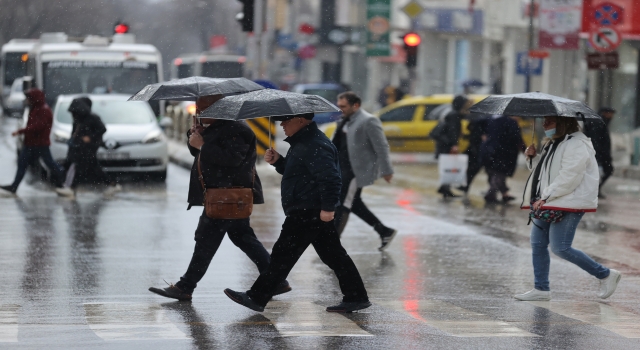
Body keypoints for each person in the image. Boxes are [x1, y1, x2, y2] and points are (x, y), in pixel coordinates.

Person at [224, 113, 371, 313]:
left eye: (286, 120)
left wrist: (328, 208)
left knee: (282, 256)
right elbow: (300, 172)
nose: (282, 124)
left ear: (301, 121)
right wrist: (279, 162)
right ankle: (356, 296)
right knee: (334, 256)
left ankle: (256, 297)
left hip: (308, 210)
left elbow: (331, 179)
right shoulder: (304, 142)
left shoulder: (314, 144)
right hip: (308, 208)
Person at [149, 113, 291, 301]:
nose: (200, 114)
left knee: (206, 241)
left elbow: (232, 160)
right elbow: (200, 154)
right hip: (222, 196)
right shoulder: (218, 128)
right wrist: (196, 137)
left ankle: (185, 286)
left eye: (205, 110)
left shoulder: (238, 129)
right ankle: (276, 280)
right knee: (242, 237)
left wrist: (203, 145)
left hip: (228, 196)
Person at [515, 116, 621, 301]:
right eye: (544, 121)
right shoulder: (552, 143)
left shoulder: (577, 144)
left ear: (563, 123)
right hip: (550, 200)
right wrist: (532, 159)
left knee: (561, 247)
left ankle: (605, 274)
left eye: (549, 121)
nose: (544, 125)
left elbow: (570, 176)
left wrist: (547, 196)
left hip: (569, 201)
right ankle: (541, 288)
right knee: (537, 244)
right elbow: (544, 173)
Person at [333, 92, 397, 250]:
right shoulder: (343, 120)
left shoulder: (369, 120)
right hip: (341, 169)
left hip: (355, 171)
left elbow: (381, 146)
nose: (340, 109)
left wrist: (387, 170)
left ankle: (331, 242)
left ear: (356, 105)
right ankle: (384, 231)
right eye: (339, 106)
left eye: (343, 106)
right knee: (354, 203)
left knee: (343, 203)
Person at [0, 89, 65, 195]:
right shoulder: (36, 108)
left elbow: (37, 126)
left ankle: (62, 179)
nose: (26, 100)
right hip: (31, 143)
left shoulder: (43, 110)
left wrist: (21, 131)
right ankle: (14, 186)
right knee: (23, 163)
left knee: (49, 163)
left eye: (28, 98)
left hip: (39, 143)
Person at [55, 97, 121, 198]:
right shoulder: (78, 119)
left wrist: (90, 137)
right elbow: (74, 133)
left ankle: (71, 188)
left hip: (89, 148)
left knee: (78, 166)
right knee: (92, 168)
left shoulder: (92, 118)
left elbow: (102, 129)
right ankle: (112, 184)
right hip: (79, 147)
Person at [431, 95, 472, 198]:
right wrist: (454, 144)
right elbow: (452, 131)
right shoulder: (454, 115)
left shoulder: (452, 113)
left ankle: (445, 188)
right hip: (447, 145)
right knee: (449, 166)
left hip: (444, 144)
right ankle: (445, 189)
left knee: (448, 166)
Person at [480, 115, 525, 203]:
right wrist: (525, 149)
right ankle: (491, 194)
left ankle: (505, 194)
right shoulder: (511, 123)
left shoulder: (492, 119)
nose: (519, 117)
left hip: (488, 150)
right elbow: (517, 138)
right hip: (503, 153)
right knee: (499, 174)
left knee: (493, 173)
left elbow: (479, 126)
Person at [583, 107, 615, 198]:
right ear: (606, 113)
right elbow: (596, 141)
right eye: (611, 113)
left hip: (599, 154)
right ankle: (593, 191)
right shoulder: (598, 122)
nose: (612, 116)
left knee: (604, 171)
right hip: (598, 155)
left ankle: (594, 190)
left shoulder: (599, 121)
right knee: (605, 171)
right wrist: (599, 157)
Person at [458, 114, 490, 194]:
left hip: (475, 149)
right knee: (486, 170)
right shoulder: (486, 120)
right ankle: (493, 190)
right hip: (478, 149)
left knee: (473, 169)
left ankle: (466, 186)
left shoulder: (478, 119)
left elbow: (469, 128)